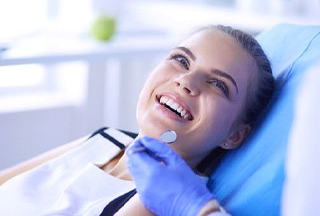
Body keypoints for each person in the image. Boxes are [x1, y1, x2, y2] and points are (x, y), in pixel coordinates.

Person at [0, 24, 274, 215]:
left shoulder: (162, 200)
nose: (186, 81)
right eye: (181, 60)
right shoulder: (105, 138)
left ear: (235, 135)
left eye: (218, 84)